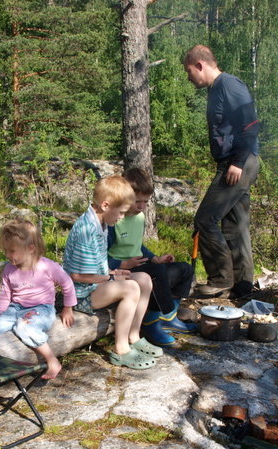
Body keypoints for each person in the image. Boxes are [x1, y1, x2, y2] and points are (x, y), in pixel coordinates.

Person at [183, 44, 261, 299]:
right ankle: (242, 286)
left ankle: (220, 280)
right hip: (236, 161)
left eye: (188, 72)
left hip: (239, 162)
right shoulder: (218, 88)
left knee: (205, 219)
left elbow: (250, 123)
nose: (188, 78)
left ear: (199, 65)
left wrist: (237, 162)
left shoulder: (228, 85)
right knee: (235, 224)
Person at [63, 175, 160, 370]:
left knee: (144, 279)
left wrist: (112, 271)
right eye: (122, 213)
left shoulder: (103, 223)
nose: (123, 217)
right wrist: (111, 276)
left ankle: (134, 335)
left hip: (97, 284)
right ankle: (121, 349)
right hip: (82, 295)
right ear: (106, 205)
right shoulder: (86, 230)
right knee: (131, 288)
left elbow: (96, 264)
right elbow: (77, 276)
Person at [107, 167, 196, 347]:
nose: (141, 206)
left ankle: (168, 317)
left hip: (140, 263)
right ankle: (150, 323)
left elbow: (136, 244)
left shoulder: (139, 217)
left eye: (145, 202)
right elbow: (99, 256)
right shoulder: (114, 220)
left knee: (185, 269)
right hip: (120, 271)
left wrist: (154, 257)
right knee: (156, 273)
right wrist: (123, 263)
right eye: (137, 201)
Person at [0, 219, 77, 380]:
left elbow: (67, 283)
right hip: (15, 309)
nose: (8, 255)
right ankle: (0, 367)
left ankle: (52, 360)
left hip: (40, 309)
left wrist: (68, 308)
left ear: (31, 248)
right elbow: (6, 293)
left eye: (12, 251)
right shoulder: (9, 269)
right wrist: (2, 317)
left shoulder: (46, 266)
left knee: (24, 328)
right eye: (6, 251)